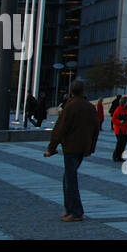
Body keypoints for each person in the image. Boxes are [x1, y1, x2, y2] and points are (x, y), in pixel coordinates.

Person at [44, 79, 99, 223]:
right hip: (83, 147)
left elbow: (60, 129)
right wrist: (91, 147)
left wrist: (51, 148)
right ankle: (70, 209)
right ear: (83, 91)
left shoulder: (70, 106)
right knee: (68, 178)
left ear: (71, 92)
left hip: (71, 147)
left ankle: (76, 212)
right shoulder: (90, 107)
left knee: (70, 179)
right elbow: (96, 128)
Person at [111, 96, 127, 162]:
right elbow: (113, 119)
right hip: (120, 130)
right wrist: (120, 122)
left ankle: (120, 157)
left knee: (123, 144)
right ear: (124, 102)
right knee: (119, 144)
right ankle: (115, 156)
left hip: (126, 130)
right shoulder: (118, 109)